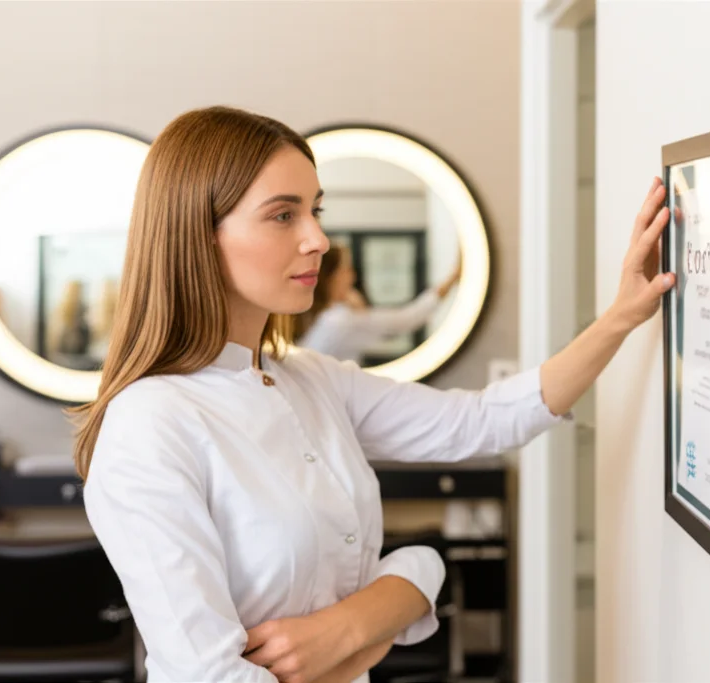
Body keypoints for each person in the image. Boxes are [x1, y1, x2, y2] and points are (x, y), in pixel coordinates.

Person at [69, 105, 674, 683]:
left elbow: (483, 421)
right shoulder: (148, 424)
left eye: (315, 211)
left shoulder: (312, 379)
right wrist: (388, 609)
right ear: (198, 236)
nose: (318, 239)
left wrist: (620, 317)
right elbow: (212, 674)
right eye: (283, 215)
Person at [293, 243, 460, 363]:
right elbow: (408, 319)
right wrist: (452, 278)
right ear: (331, 277)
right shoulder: (339, 320)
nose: (352, 276)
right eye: (346, 269)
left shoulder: (320, 317)